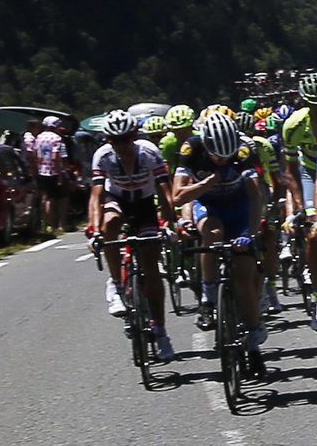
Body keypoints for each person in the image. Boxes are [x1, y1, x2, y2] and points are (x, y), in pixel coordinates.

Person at [170, 109, 270, 364]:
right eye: (217, 156)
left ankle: (253, 337)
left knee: (244, 276)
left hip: (240, 208)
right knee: (212, 235)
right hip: (209, 206)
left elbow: (256, 196)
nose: (223, 162)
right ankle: (208, 296)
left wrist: (250, 233)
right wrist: (204, 184)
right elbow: (178, 197)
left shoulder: (244, 149)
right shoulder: (191, 148)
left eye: (227, 157)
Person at [87, 107, 173, 350]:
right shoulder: (103, 156)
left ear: (134, 136)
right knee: (110, 223)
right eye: (115, 141)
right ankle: (115, 282)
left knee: (151, 267)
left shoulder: (149, 152)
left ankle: (161, 329)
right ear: (108, 140)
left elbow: (165, 192)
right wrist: (94, 230)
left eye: (125, 139)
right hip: (118, 200)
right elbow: (96, 196)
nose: (121, 146)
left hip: (145, 204)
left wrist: (168, 223)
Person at [278, 71, 317, 329]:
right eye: (313, 103)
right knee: (314, 233)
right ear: (304, 101)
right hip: (308, 172)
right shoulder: (293, 125)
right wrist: (301, 205)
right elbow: (290, 170)